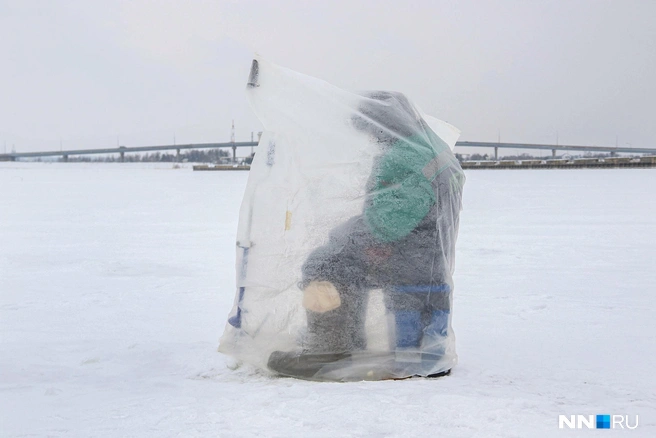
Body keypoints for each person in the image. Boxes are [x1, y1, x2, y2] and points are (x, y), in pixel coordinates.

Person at [267, 91, 465, 380]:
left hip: (409, 258)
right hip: (426, 255)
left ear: (384, 124)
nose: (372, 139)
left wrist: (345, 237)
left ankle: (328, 350)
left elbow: (388, 223)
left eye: (372, 130)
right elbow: (398, 210)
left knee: (325, 264)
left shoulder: (406, 154)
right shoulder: (431, 146)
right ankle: (346, 340)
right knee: (341, 256)